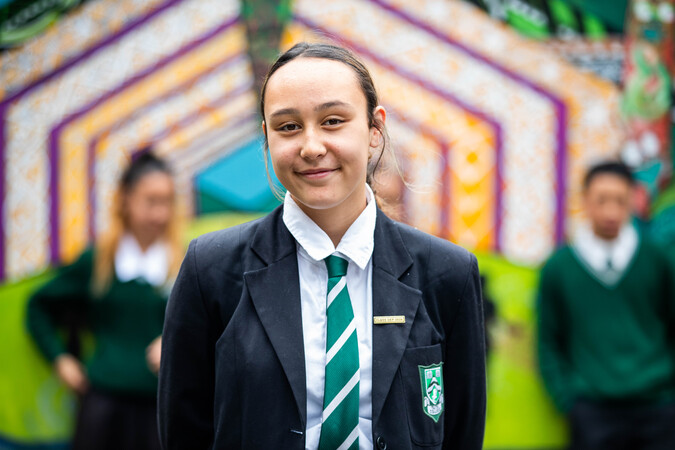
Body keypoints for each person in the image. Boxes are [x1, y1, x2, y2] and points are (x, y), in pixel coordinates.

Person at [158, 42, 486, 450]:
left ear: (374, 130)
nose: (311, 147)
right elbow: (183, 431)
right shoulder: (210, 269)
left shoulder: (446, 273)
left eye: (332, 121)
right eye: (288, 127)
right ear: (266, 137)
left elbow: (461, 431)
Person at [27, 151, 183, 450]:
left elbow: (212, 325)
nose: (161, 214)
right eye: (151, 201)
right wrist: (60, 360)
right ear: (125, 199)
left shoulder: (185, 262)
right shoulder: (98, 260)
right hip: (102, 409)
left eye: (168, 202)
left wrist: (175, 341)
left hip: (160, 412)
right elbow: (38, 306)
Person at [537, 161, 675, 450]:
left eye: (620, 201)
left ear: (633, 201)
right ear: (585, 200)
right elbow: (548, 341)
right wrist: (569, 399)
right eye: (601, 200)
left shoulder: (657, 259)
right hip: (592, 413)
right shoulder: (559, 268)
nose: (610, 211)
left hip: (658, 408)